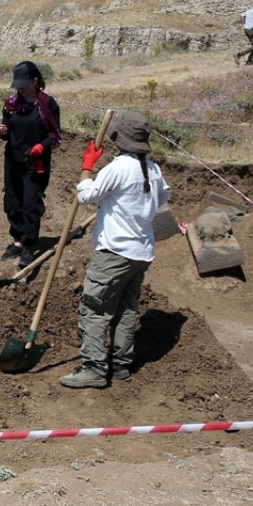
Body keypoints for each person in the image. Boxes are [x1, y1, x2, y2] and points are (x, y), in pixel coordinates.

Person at [60, 111, 171, 389]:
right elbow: (163, 196)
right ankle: (121, 365)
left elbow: (86, 195)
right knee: (125, 308)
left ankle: (94, 369)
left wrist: (87, 167)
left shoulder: (119, 167)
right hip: (141, 251)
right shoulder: (152, 168)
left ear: (119, 139)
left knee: (93, 307)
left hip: (115, 253)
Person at [0, 60, 63, 268]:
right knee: (12, 202)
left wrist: (41, 147)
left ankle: (29, 246)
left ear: (35, 81)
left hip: (36, 163)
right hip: (13, 160)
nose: (20, 89)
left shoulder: (47, 104)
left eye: (24, 85)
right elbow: (7, 132)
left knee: (30, 204)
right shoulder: (11, 104)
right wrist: (3, 131)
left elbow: (54, 135)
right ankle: (17, 240)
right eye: (18, 86)